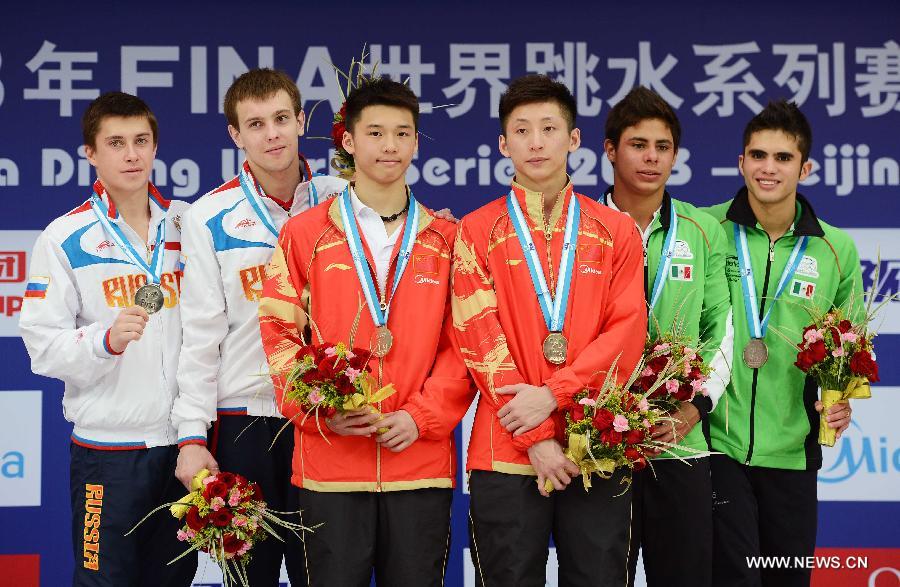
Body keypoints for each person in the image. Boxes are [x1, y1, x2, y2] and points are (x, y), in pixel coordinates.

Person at [258, 76, 472, 586]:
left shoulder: (448, 238)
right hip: (330, 466)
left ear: (417, 143)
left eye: (402, 133)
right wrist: (319, 409)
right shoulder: (303, 234)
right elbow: (279, 335)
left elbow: (468, 343)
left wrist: (422, 416)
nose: (390, 146)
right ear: (349, 142)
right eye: (375, 133)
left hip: (419, 461)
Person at [451, 74, 646, 586]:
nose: (535, 142)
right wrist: (536, 433)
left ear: (573, 139)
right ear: (503, 144)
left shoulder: (615, 229)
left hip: (598, 443)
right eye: (521, 130)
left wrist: (554, 394)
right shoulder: (475, 231)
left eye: (549, 128)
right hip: (506, 448)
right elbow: (477, 337)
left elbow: (626, 336)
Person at [168, 67, 346, 586]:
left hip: (325, 418)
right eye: (256, 123)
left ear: (299, 121)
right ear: (235, 135)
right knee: (250, 578)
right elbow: (199, 336)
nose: (272, 134)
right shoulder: (209, 217)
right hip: (246, 420)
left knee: (329, 574)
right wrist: (190, 437)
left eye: (281, 119)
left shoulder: (346, 200)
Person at [20, 92, 195, 586]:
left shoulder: (187, 226)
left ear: (156, 146)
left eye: (141, 141)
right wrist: (105, 341)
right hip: (108, 455)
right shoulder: (64, 236)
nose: (132, 154)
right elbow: (40, 344)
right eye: (116, 143)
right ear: (91, 154)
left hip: (183, 448)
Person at [705, 99, 859, 587]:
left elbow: (847, 349)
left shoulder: (836, 248)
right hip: (716, 446)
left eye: (783, 158)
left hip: (793, 452)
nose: (768, 168)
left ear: (805, 167)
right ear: (741, 162)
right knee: (736, 577)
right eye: (757, 155)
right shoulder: (706, 229)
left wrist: (842, 401)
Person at [599, 86, 732, 587]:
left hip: (681, 441)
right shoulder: (581, 227)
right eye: (638, 144)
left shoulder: (701, 230)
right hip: (599, 441)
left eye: (663, 146)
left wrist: (695, 407)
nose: (651, 157)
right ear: (610, 150)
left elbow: (723, 328)